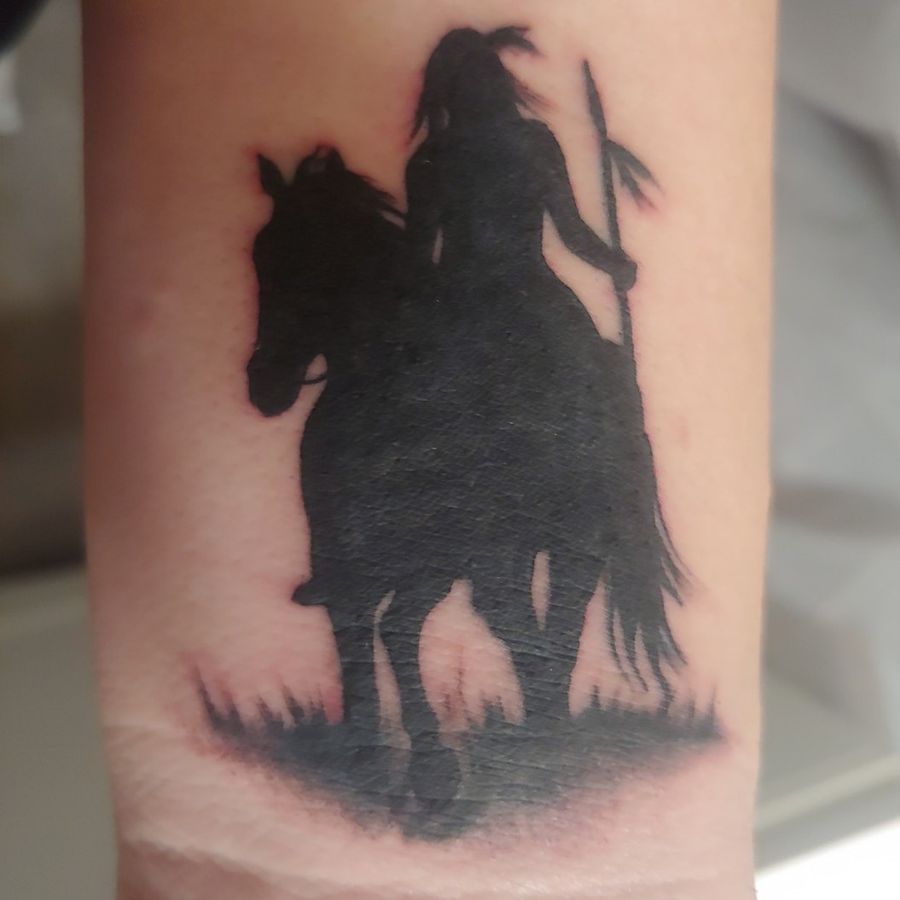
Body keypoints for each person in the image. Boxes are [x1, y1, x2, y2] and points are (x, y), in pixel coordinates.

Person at [83, 2, 775, 897]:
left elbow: (427, 253)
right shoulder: (525, 146)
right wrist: (614, 264)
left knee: (430, 398)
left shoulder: (438, 159)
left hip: (469, 307)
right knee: (572, 389)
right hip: (537, 306)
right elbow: (569, 235)